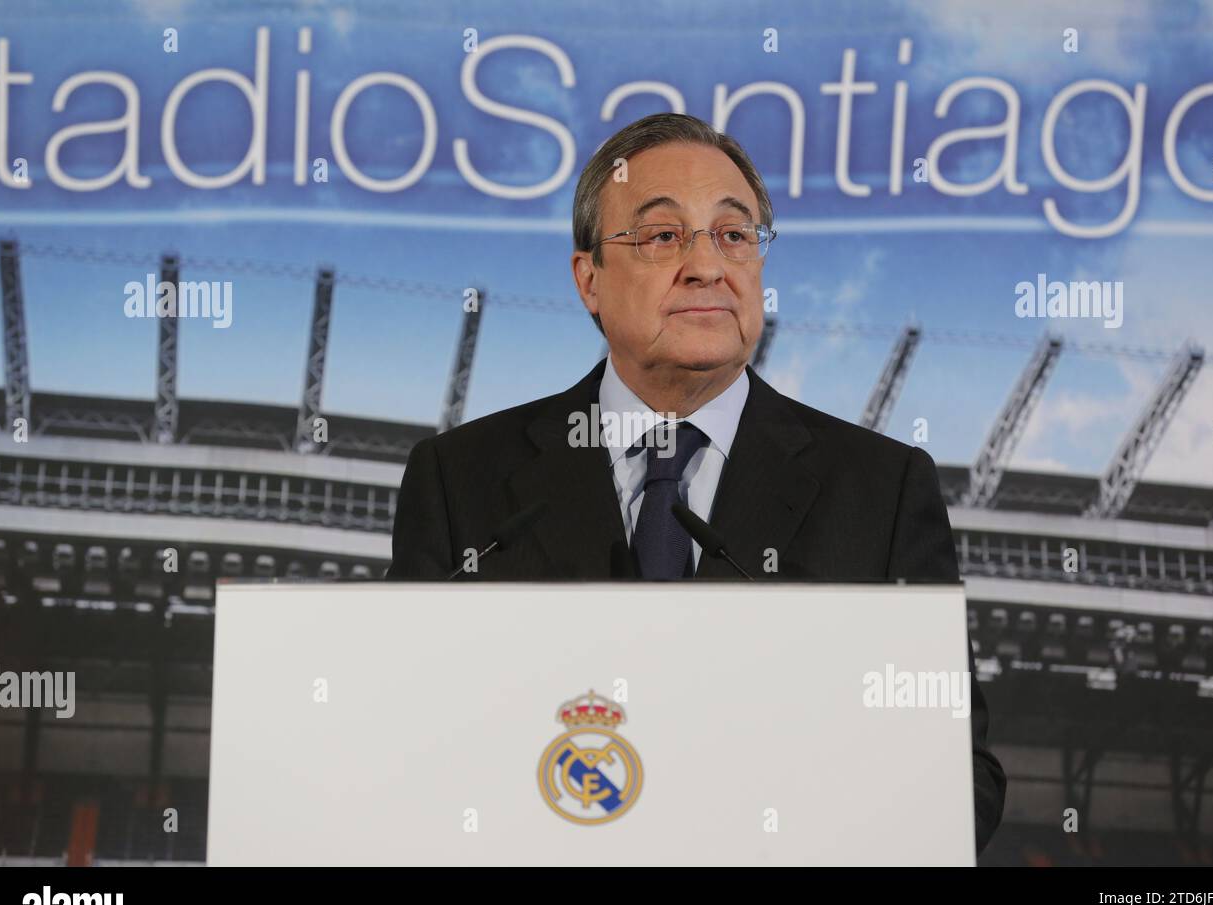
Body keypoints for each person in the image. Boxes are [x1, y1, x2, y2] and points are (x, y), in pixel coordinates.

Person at [387, 111, 1005, 853]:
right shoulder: (462, 481)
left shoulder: (882, 490)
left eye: (734, 235)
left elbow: (961, 783)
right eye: (662, 236)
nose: (707, 265)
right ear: (590, 278)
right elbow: (406, 749)